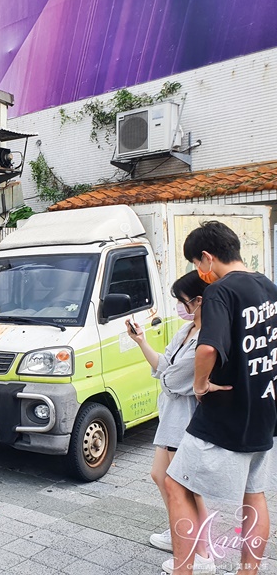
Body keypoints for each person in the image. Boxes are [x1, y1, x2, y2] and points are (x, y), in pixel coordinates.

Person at [164, 221, 277, 575]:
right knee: (254, 494)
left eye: (197, 264)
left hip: (226, 411)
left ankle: (184, 570)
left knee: (174, 483)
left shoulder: (220, 292)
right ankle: (249, 571)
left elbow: (208, 347)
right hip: (264, 407)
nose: (200, 273)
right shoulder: (269, 288)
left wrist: (200, 385)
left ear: (207, 258)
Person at [125, 271, 210, 557]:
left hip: (186, 419)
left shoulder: (206, 338)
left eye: (182, 301)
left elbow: (174, 381)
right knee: (160, 475)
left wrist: (167, 377)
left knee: (185, 486)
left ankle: (202, 553)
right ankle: (180, 530)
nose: (179, 307)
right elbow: (165, 366)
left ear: (198, 301)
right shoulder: (187, 331)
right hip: (172, 416)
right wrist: (141, 341)